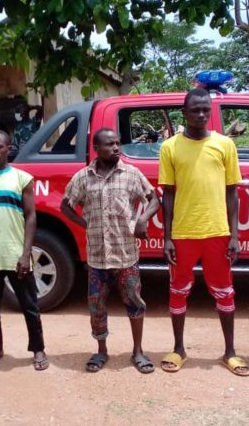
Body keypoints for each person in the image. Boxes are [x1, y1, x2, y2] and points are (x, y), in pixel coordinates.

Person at [158, 88, 249, 375]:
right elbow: (168, 194)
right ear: (184, 113)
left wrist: (234, 235)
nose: (200, 114)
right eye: (195, 109)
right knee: (178, 290)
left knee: (224, 291)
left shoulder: (225, 145)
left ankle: (230, 352)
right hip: (183, 234)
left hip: (217, 232)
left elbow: (232, 192)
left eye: (205, 109)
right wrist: (167, 237)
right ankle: (178, 349)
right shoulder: (170, 147)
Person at [60, 128, 160, 374]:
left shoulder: (131, 174)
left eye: (117, 143)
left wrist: (142, 219)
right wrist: (85, 223)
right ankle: (101, 351)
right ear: (96, 148)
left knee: (135, 303)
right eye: (109, 144)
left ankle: (138, 351)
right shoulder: (83, 177)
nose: (115, 148)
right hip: (97, 257)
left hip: (126, 255)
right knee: (97, 306)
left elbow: (154, 199)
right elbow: (66, 206)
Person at [0, 130, 48, 371]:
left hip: (16, 255)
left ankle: (38, 349)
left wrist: (26, 254)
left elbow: (31, 216)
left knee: (29, 306)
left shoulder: (22, 178)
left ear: (9, 149)